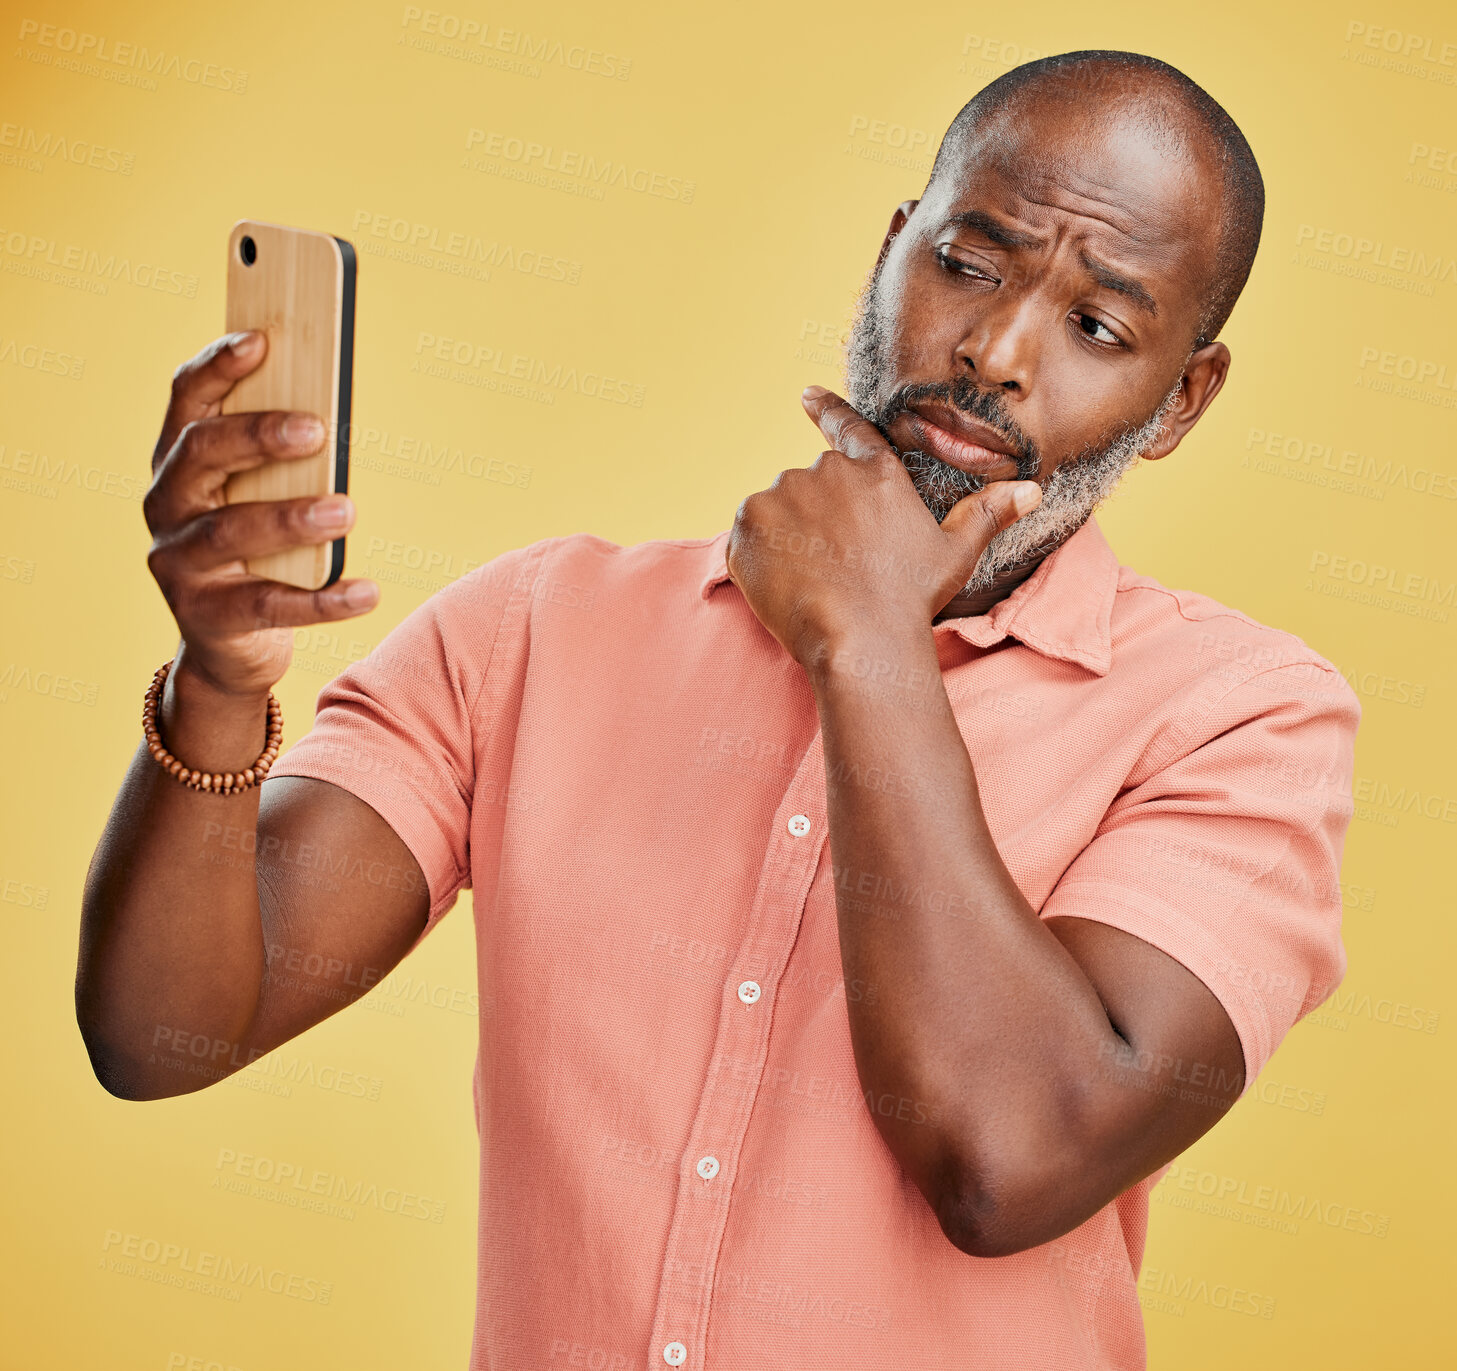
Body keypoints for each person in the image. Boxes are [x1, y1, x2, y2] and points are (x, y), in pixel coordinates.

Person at [78, 49, 1359, 1371]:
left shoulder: (1245, 722)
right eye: (966, 264)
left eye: (1097, 327)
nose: (993, 351)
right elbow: (164, 1033)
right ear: (891, 248)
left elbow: (1011, 1161)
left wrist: (865, 642)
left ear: (1180, 400)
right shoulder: (533, 632)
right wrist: (220, 684)